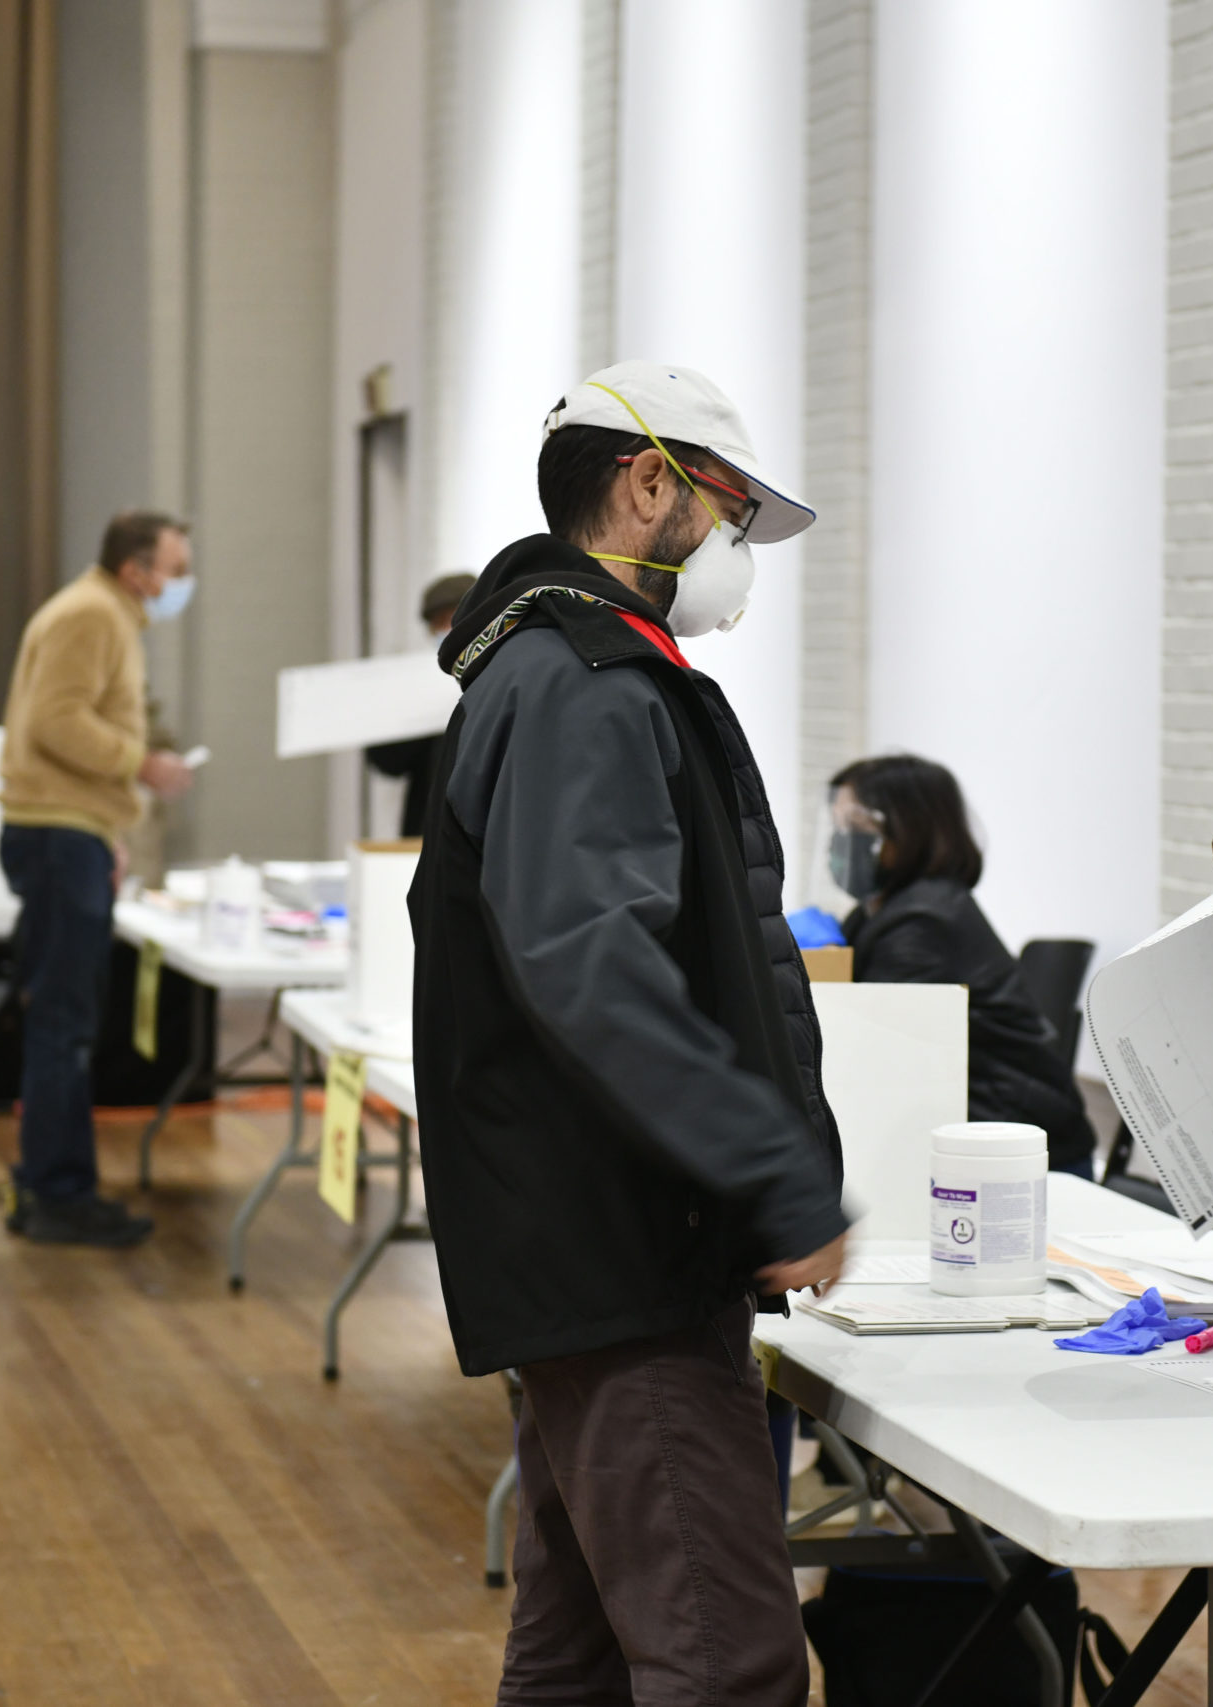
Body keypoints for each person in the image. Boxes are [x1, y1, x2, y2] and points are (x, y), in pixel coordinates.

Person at [410, 360, 848, 1706]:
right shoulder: (585, 681)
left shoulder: (566, 668)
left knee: (582, 1650)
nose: (737, 553)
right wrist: (773, 1171)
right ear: (648, 481)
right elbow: (595, 965)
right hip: (623, 1243)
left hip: (591, 1241)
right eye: (728, 510)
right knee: (729, 1663)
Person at [0, 510, 197, 1247]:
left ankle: (52, 1182)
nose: (182, 583)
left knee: (64, 1019)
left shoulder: (103, 612)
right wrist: (141, 766)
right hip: (55, 834)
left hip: (69, 831)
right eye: (176, 569)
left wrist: (104, 829)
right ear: (137, 570)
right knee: (63, 1023)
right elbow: (55, 721)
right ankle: (57, 1191)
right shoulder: (92, 615)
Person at [827, 753, 1098, 1176]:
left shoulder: (922, 923)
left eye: (856, 828)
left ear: (907, 829)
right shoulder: (885, 912)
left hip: (1015, 1157)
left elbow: (876, 1062)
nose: (841, 842)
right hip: (990, 1139)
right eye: (838, 827)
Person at [365, 571, 477, 836]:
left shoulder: (508, 672)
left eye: (454, 617)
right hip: (428, 832)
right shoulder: (418, 686)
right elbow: (387, 762)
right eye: (439, 623)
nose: (447, 629)